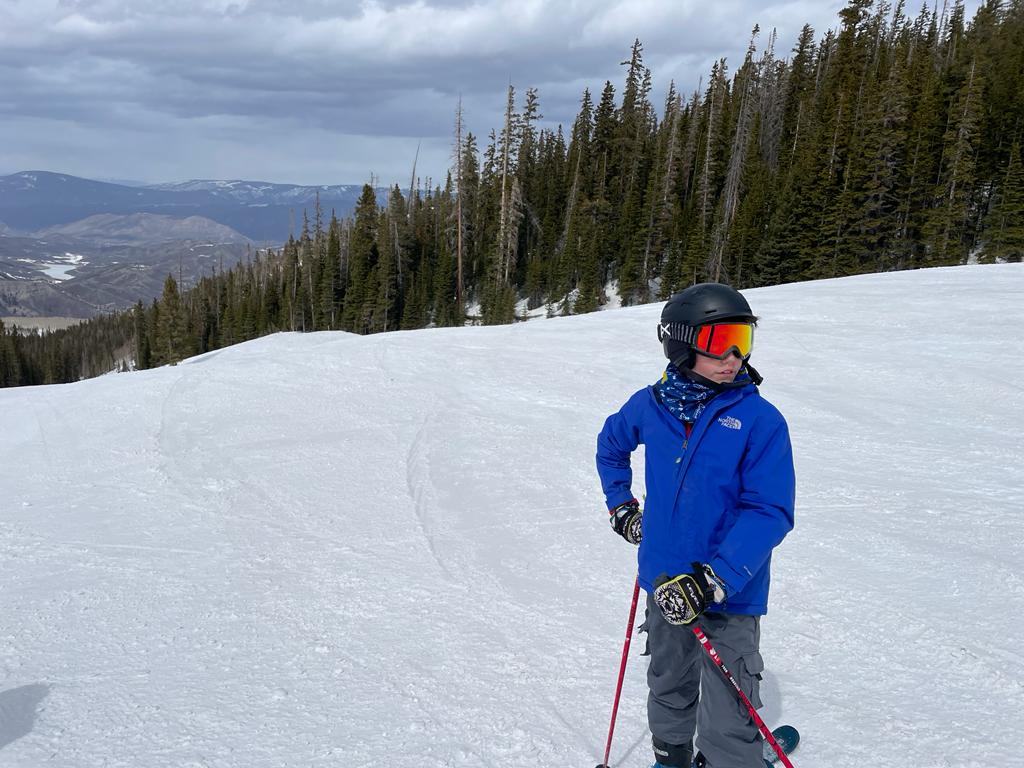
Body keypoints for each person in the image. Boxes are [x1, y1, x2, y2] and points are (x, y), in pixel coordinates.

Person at [596, 282, 795, 768]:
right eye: (721, 340)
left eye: (743, 341)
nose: (733, 356)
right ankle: (671, 758)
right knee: (668, 679)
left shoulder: (759, 420)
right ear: (682, 344)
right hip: (664, 578)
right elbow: (611, 445)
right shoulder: (651, 405)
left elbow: (770, 510)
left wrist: (715, 580)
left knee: (730, 697)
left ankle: (731, 759)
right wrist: (621, 506)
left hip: (729, 590)